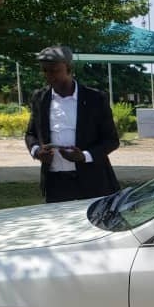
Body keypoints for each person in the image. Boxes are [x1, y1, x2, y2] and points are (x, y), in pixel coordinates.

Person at [25, 45, 120, 203]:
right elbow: (31, 134)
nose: (49, 76)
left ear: (69, 68)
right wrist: (36, 152)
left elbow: (111, 140)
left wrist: (84, 156)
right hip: (56, 183)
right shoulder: (40, 98)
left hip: (93, 181)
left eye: (55, 70)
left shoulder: (95, 98)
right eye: (45, 71)